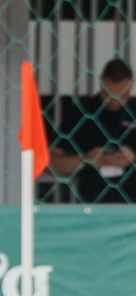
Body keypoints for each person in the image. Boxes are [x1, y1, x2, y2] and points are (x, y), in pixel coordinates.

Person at [50, 58, 136, 204]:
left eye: (122, 96)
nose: (114, 102)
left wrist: (133, 158)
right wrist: (85, 160)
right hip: (90, 207)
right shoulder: (79, 112)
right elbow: (50, 163)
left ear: (131, 86)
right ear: (101, 84)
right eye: (108, 95)